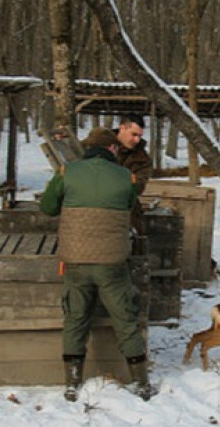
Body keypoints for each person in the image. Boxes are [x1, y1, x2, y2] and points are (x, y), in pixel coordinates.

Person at [39, 126, 155, 402]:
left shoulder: (67, 172)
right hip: (112, 263)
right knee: (125, 320)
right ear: (112, 150)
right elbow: (128, 206)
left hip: (75, 261)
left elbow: (48, 207)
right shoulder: (126, 177)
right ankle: (140, 382)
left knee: (75, 319)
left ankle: (72, 382)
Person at [114, 114, 152, 233]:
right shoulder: (100, 144)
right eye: (134, 134)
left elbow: (138, 186)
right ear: (122, 128)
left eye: (139, 136)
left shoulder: (141, 158)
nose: (137, 140)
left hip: (127, 211)